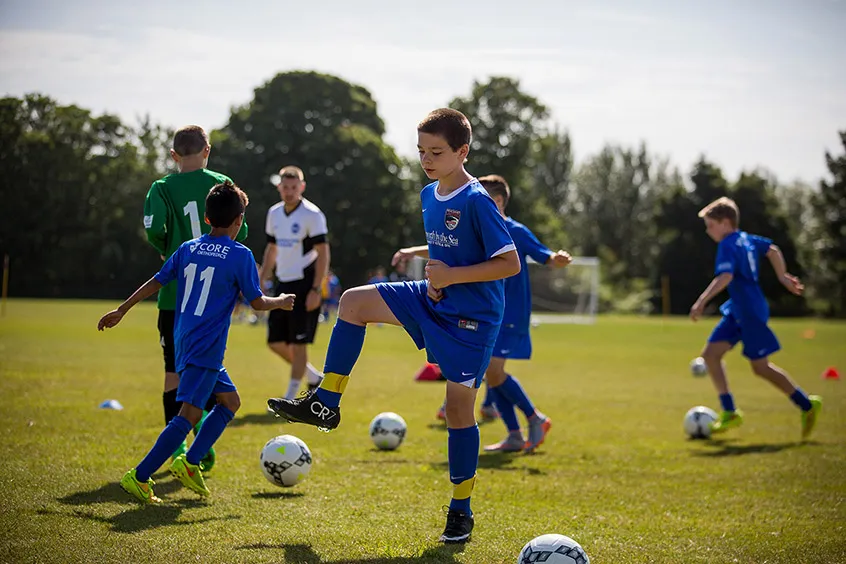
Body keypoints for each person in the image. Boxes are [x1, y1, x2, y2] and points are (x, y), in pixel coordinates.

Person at [267, 108, 520, 543]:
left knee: (458, 411)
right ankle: (326, 401)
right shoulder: (428, 194)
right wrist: (437, 282)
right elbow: (448, 254)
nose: (426, 159)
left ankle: (461, 510)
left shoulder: (477, 200)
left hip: (473, 320)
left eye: (436, 151)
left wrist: (451, 278)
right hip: (432, 298)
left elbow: (509, 263)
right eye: (421, 151)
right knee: (352, 302)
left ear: (462, 151)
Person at [101, 181, 294, 503]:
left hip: (186, 340)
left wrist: (123, 309)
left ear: (206, 218)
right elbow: (257, 302)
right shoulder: (241, 255)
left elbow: (157, 281)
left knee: (230, 402)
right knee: (188, 416)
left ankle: (190, 463)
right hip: (205, 346)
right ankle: (140, 476)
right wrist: (282, 301)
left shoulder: (188, 248)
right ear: (239, 220)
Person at [143, 125, 248, 470]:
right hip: (212, 297)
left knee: (173, 372)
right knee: (208, 369)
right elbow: (241, 230)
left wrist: (165, 249)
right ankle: (198, 442)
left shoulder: (161, 187)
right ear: (208, 150)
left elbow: (153, 228)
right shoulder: (222, 183)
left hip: (175, 294)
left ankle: (178, 449)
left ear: (173, 155)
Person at [690, 196, 822, 438]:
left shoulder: (728, 244)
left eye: (711, 225)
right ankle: (730, 411)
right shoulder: (746, 239)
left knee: (761, 368)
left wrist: (701, 301)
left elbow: (725, 276)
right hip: (738, 309)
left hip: (749, 311)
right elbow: (772, 250)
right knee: (710, 355)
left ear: (725, 222)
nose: (708, 231)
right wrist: (782, 276)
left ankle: (806, 404)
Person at [467, 174, 573, 454]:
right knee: (492, 375)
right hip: (488, 314)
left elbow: (545, 256)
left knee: (493, 371)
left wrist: (557, 258)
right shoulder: (478, 231)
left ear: (498, 201)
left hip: (511, 315)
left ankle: (535, 418)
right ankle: (515, 435)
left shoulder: (516, 230)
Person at [260, 166, 330, 400]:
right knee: (275, 342)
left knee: (299, 344)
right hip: (282, 284)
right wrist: (263, 277)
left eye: (293, 187)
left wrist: (316, 289)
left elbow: (323, 252)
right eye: (285, 187)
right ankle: (313, 377)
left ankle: (290, 397)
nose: (289, 192)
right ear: (279, 187)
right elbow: (272, 248)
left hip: (305, 284)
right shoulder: (274, 213)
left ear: (302, 187)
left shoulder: (312, 214)